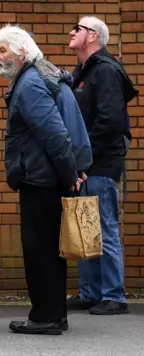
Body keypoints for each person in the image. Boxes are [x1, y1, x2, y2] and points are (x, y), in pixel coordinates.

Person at [0, 25, 87, 335]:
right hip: (47, 175)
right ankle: (54, 314)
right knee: (49, 249)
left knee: (39, 250)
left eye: (3, 50)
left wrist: (70, 174)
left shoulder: (31, 84)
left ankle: (45, 317)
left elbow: (54, 134)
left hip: (39, 178)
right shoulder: (40, 76)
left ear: (21, 53)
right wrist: (71, 172)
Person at [67, 16, 139, 315]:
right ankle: (91, 292)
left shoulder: (106, 71)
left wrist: (84, 160)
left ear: (93, 36)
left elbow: (108, 122)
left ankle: (114, 296)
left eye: (78, 28)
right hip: (86, 164)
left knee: (104, 227)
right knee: (86, 226)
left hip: (101, 164)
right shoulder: (83, 71)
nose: (71, 32)